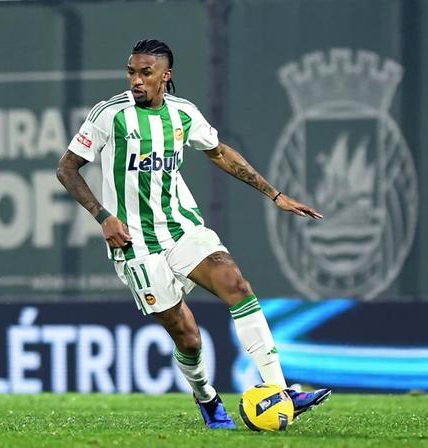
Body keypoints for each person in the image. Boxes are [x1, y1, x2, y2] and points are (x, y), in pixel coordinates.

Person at [57, 39, 331, 429]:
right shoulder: (109, 115)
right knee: (188, 336)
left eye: (145, 73)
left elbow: (219, 152)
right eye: (131, 72)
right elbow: (66, 169)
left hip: (182, 228)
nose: (136, 80)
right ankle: (206, 398)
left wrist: (276, 195)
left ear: (165, 77)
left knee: (236, 284)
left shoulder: (184, 114)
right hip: (135, 243)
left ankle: (280, 389)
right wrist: (103, 216)